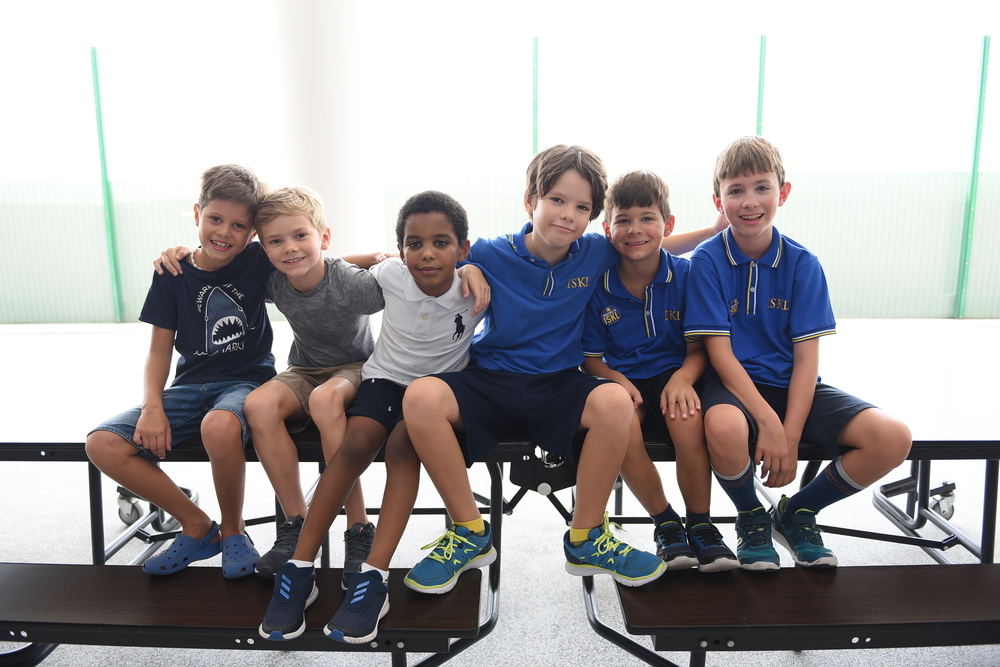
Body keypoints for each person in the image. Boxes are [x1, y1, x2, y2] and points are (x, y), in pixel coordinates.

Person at [401, 145, 718, 595]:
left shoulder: (595, 252)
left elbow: (648, 242)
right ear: (530, 200)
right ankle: (469, 531)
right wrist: (467, 267)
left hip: (559, 382)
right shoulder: (489, 252)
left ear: (592, 217)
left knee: (615, 401)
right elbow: (427, 259)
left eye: (582, 207)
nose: (568, 215)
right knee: (420, 396)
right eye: (557, 200)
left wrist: (716, 230)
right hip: (493, 378)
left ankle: (586, 537)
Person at [258, 191, 489, 643]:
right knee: (353, 449)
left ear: (462, 249)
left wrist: (475, 269)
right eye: (414, 243)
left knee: (402, 449)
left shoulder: (476, 288)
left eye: (441, 243)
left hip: (437, 394)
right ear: (400, 249)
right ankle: (299, 566)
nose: (427, 253)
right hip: (384, 380)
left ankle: (373, 576)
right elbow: (331, 266)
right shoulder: (390, 275)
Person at [684, 136, 912, 570]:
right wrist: (770, 423)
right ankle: (751, 515)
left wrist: (789, 434)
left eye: (762, 187)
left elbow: (807, 359)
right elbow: (720, 355)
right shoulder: (706, 261)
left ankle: (798, 512)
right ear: (718, 201)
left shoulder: (804, 264)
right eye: (736, 190)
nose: (750, 201)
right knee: (724, 426)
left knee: (892, 437)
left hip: (792, 386)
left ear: (783, 193)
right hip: (732, 385)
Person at [85, 164, 275, 579]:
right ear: (196, 214)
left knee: (219, 426)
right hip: (189, 387)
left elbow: (313, 261)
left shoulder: (257, 260)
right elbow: (158, 351)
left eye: (239, 225)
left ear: (253, 233)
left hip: (247, 383)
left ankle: (234, 530)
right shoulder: (171, 272)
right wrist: (152, 406)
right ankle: (197, 526)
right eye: (215, 219)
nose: (224, 232)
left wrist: (376, 259)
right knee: (102, 444)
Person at [582, 170, 739, 573]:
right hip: (624, 381)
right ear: (607, 229)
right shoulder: (598, 287)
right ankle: (666, 524)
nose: (635, 229)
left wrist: (683, 378)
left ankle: (701, 524)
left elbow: (700, 348)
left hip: (677, 374)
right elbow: (592, 359)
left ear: (667, 225)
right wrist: (619, 383)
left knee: (687, 421)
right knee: (622, 429)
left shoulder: (688, 276)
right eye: (623, 220)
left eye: (647, 218)